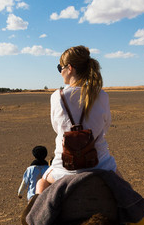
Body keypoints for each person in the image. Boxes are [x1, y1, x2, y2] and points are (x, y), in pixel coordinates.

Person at [36, 46, 117, 195]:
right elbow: (105, 127)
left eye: (60, 67)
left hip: (64, 169)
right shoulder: (102, 95)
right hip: (101, 164)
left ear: (70, 68)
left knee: (42, 183)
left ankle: (35, 216)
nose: (60, 72)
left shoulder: (56, 97)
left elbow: (57, 128)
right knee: (126, 195)